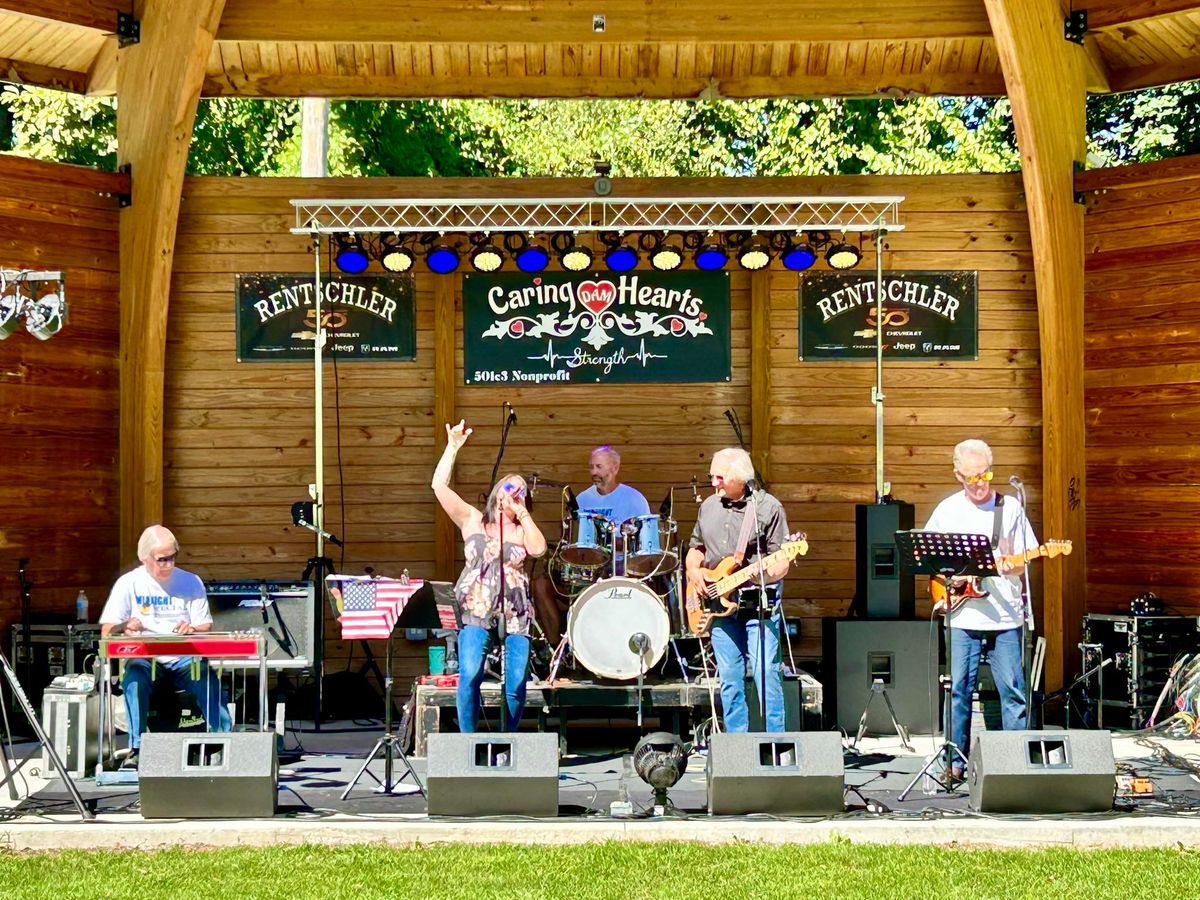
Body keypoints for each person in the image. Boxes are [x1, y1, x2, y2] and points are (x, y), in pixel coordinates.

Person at [924, 438, 1037, 779]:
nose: (979, 483)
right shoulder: (948, 510)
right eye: (971, 477)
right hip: (962, 614)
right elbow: (929, 556)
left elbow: (1025, 560)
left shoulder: (1011, 509)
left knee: (1013, 691)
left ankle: (1015, 763)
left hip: (1004, 616)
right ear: (958, 474)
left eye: (985, 474)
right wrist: (951, 581)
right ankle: (955, 764)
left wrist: (1008, 564)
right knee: (959, 690)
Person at [433, 419, 547, 732]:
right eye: (511, 485)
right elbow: (438, 487)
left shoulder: (523, 528)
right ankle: (468, 743)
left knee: (516, 680)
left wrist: (523, 513)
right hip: (475, 608)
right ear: (498, 491)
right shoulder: (472, 519)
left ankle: (508, 738)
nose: (515, 491)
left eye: (522, 490)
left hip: (515, 612)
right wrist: (452, 448)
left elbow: (538, 550)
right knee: (470, 674)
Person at [99, 525, 232, 769]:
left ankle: (222, 741)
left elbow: (205, 626)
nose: (168, 565)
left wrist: (192, 629)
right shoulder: (128, 583)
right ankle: (137, 748)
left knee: (207, 678)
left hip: (184, 659)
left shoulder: (191, 581)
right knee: (134, 680)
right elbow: (107, 632)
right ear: (144, 559)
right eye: (162, 560)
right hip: (146, 659)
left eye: (172, 557)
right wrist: (125, 625)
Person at [685, 447, 792, 732]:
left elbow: (781, 562)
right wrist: (694, 570)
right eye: (712, 476)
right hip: (719, 606)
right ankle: (736, 747)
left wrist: (770, 570)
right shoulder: (708, 506)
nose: (713, 483)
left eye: (719, 477)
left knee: (766, 673)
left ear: (741, 478)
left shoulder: (768, 508)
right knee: (730, 679)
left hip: (758, 601)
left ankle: (776, 746)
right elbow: (696, 548)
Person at [531, 445, 651, 648]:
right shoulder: (582, 500)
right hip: (584, 572)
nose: (594, 472)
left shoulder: (634, 499)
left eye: (599, 467)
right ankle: (556, 649)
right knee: (541, 584)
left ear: (614, 468)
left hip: (621, 570)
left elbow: (641, 545)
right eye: (591, 467)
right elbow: (570, 541)